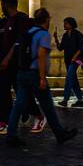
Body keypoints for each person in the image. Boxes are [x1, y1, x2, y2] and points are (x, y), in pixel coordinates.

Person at [7, 8, 78, 148]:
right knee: (48, 106)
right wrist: (42, 78)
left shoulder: (29, 32)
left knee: (19, 105)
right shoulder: (43, 34)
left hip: (22, 73)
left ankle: (11, 134)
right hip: (34, 74)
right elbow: (41, 55)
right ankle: (60, 134)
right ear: (47, 19)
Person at [0, 0, 43, 137]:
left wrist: (7, 59)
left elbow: (19, 42)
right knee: (2, 94)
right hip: (2, 66)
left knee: (22, 92)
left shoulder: (22, 20)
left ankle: (38, 115)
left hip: (17, 64)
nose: (1, 8)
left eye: (2, 5)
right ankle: (2, 122)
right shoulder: (1, 23)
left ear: (5, 4)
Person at [54, 16, 83, 108]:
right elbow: (61, 48)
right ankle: (80, 100)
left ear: (71, 24)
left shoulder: (78, 34)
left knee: (69, 78)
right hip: (68, 60)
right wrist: (56, 39)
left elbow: (81, 48)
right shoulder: (65, 35)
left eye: (66, 23)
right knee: (73, 79)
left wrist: (74, 58)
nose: (64, 25)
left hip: (77, 60)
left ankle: (65, 99)